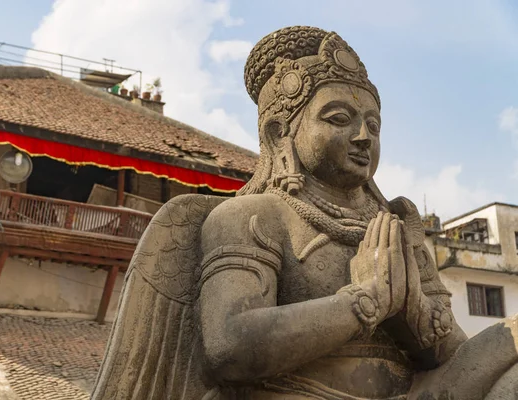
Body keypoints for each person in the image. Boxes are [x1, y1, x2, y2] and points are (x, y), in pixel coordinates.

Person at [92, 26, 518, 400]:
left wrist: (408, 309)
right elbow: (228, 347)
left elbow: (453, 357)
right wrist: (364, 301)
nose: (362, 137)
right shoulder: (253, 217)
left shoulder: (397, 229)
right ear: (281, 133)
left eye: (374, 125)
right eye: (339, 118)